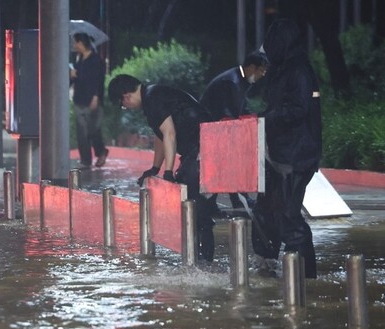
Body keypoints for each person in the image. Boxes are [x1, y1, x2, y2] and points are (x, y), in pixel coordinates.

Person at [107, 74, 216, 262]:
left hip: (205, 148)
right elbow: (160, 136)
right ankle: (198, 256)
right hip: (199, 149)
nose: (126, 107)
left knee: (195, 202)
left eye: (123, 105)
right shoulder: (151, 96)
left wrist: (168, 171)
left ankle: (204, 258)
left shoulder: (153, 98)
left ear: (125, 96)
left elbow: (170, 134)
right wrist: (155, 168)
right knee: (192, 202)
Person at [252, 18, 322, 278]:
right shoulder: (281, 68)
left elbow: (298, 109)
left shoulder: (299, 70)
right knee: (266, 210)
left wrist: (266, 118)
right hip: (279, 154)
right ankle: (266, 264)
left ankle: (306, 278)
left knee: (288, 215)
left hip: (296, 156)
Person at [200, 51, 269, 209]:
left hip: (219, 128)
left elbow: (240, 109)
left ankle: (232, 200)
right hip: (213, 128)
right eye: (261, 71)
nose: (263, 75)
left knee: (227, 164)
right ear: (252, 67)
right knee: (227, 164)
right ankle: (233, 200)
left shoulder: (240, 79)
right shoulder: (231, 81)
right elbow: (227, 112)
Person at [70, 32, 109, 169]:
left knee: (93, 130)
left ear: (81, 43)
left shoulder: (96, 60)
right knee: (82, 132)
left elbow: (99, 81)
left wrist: (96, 97)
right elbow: (74, 80)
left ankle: (101, 152)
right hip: (79, 99)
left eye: (76, 42)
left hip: (91, 99)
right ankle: (85, 160)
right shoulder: (78, 60)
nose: (74, 45)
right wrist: (72, 75)